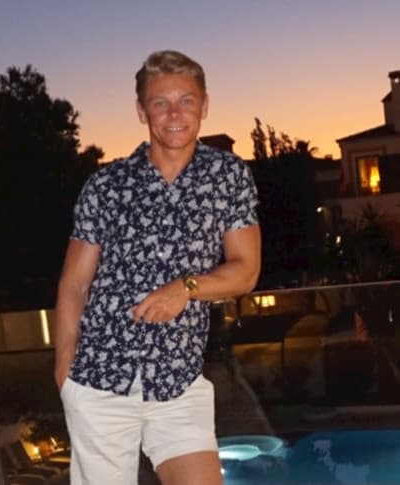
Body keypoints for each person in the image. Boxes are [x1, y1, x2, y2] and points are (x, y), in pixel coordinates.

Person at [54, 49, 261, 485]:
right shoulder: (107, 184)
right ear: (141, 110)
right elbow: (75, 283)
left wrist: (185, 287)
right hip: (98, 379)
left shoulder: (227, 176)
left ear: (204, 105)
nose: (174, 114)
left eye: (186, 100)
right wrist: (65, 369)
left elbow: (245, 271)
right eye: (160, 102)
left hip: (178, 383)